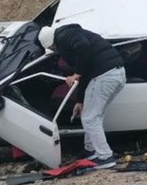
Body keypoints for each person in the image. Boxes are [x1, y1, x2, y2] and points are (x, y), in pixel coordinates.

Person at [37, 24, 125, 169]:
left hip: (104, 76)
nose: (54, 51)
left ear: (52, 44)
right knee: (93, 115)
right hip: (114, 74)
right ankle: (91, 151)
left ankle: (106, 157)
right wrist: (80, 100)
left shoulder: (65, 36)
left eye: (52, 48)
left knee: (90, 118)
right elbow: (85, 75)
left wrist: (76, 73)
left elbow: (83, 49)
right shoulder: (71, 35)